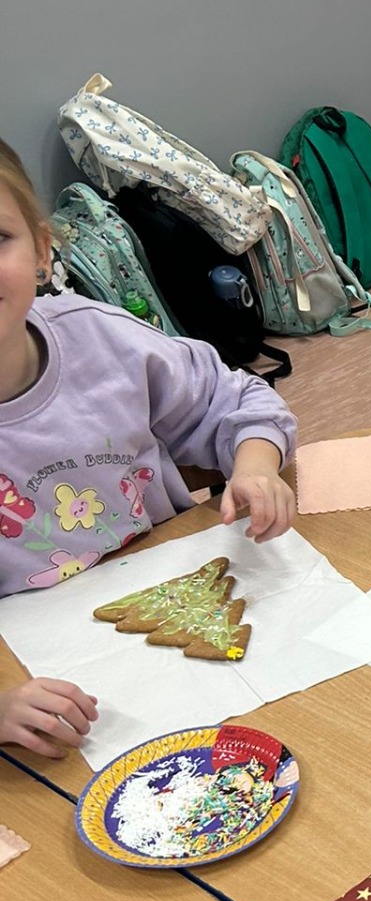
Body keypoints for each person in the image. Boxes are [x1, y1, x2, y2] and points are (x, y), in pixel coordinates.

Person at [0, 139, 296, 759]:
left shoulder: (101, 339)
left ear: (42, 251)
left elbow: (238, 398)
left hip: (190, 624)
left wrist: (255, 466)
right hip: (44, 690)